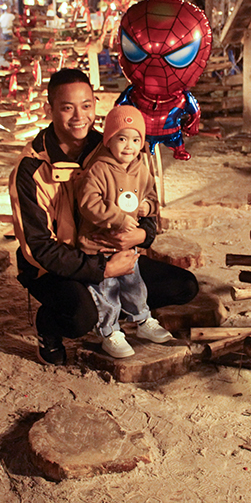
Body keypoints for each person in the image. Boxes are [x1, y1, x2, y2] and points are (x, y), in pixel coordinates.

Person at [9, 68, 198, 365]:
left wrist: (143, 234)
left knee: (184, 286)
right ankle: (50, 325)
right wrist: (101, 270)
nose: (78, 116)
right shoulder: (32, 167)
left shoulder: (116, 145)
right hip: (55, 267)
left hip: (113, 250)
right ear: (50, 109)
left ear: (95, 104)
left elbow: (145, 200)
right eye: (67, 107)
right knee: (80, 315)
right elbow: (39, 248)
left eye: (86, 105)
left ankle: (117, 310)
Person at [75, 105, 174, 358]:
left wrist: (146, 206)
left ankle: (142, 320)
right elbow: (88, 202)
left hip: (127, 245)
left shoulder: (142, 167)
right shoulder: (99, 168)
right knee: (106, 289)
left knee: (133, 283)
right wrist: (118, 218)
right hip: (101, 243)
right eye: (121, 139)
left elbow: (152, 197)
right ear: (109, 140)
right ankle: (109, 331)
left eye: (135, 139)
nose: (129, 146)